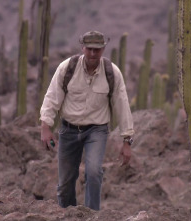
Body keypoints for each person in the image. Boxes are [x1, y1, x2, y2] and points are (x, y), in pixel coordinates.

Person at [40, 30, 134, 211]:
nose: (92, 53)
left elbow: (122, 105)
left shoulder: (112, 73)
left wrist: (127, 140)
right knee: (66, 182)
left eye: (97, 50)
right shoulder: (67, 68)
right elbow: (52, 97)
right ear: (82, 48)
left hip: (96, 130)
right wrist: (46, 126)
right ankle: (68, 214)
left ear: (103, 49)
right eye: (89, 49)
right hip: (69, 129)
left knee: (93, 172)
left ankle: (92, 215)